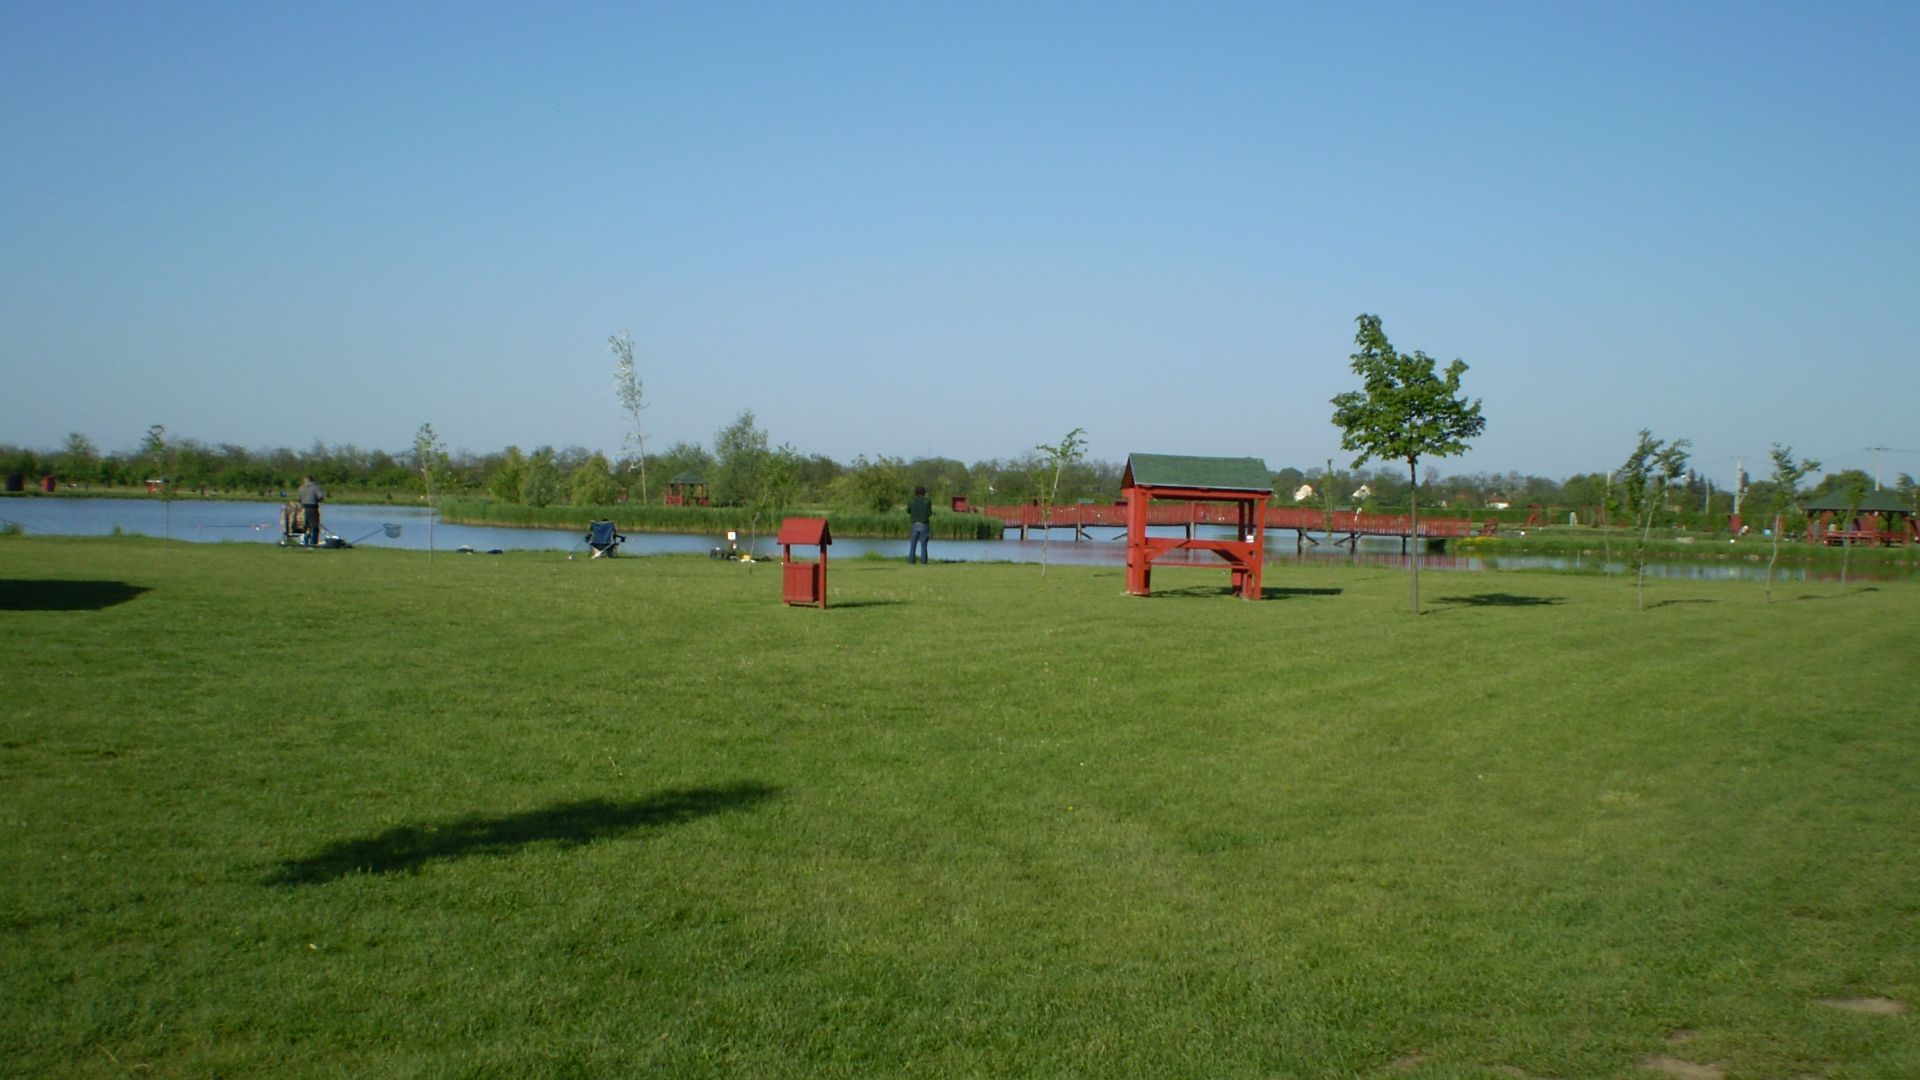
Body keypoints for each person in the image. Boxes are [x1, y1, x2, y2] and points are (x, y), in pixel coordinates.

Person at [906, 485, 933, 564]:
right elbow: (930, 513)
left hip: (914, 523)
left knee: (913, 544)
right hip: (924, 523)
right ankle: (923, 561)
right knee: (924, 544)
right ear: (924, 492)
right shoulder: (927, 501)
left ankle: (911, 561)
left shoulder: (911, 501)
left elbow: (908, 511)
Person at [296, 474, 325, 547]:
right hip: (312, 508)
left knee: (304, 526)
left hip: (302, 508)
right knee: (314, 526)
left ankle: (305, 542)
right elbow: (320, 497)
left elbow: (298, 499)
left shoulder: (301, 488)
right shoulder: (316, 487)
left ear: (305, 480)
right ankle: (313, 542)